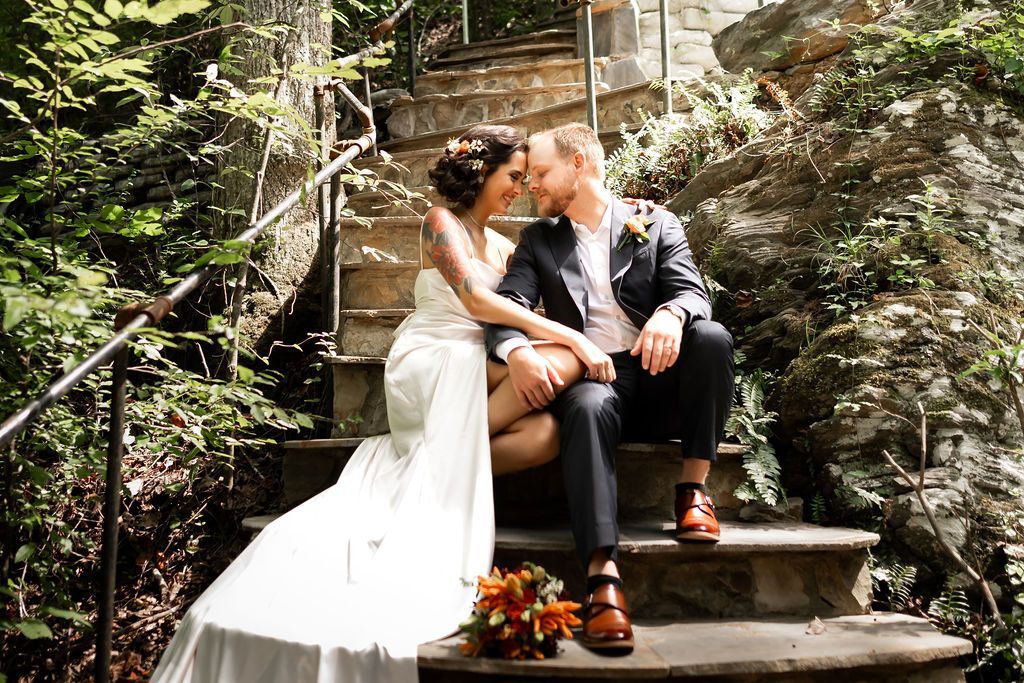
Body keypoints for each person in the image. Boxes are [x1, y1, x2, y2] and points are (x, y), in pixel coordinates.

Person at [149, 124, 615, 682]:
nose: (519, 187)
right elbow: (475, 300)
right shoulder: (440, 223)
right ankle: (446, 450)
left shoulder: (508, 245)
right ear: (482, 171)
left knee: (546, 436)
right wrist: (573, 339)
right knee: (562, 359)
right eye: (514, 176)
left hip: (479, 361)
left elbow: (518, 302)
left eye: (525, 178)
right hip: (433, 355)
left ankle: (437, 459)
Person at [486, 122, 735, 655]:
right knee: (587, 406)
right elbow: (505, 310)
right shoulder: (538, 241)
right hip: (598, 379)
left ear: (579, 165)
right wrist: (519, 352)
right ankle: (604, 579)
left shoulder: (654, 221)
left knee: (711, 338)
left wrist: (670, 313)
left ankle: (692, 491)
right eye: (528, 177)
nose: (532, 185)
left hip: (662, 374)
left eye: (542, 173)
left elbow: (694, 292)